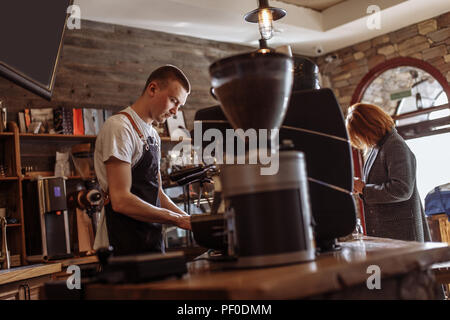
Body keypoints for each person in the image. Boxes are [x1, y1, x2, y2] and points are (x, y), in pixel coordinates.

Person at [93, 65, 192, 255]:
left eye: (179, 105)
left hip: (151, 239)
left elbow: (158, 194)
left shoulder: (153, 135)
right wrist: (176, 220)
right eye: (173, 101)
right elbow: (120, 200)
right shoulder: (120, 128)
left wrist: (191, 220)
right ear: (153, 89)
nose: (175, 112)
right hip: (122, 243)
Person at [345, 103, 431, 242]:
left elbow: (402, 190)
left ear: (369, 127)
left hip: (403, 235)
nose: (361, 140)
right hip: (391, 233)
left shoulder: (394, 145)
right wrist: (361, 188)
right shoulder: (379, 146)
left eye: (360, 135)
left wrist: (364, 189)